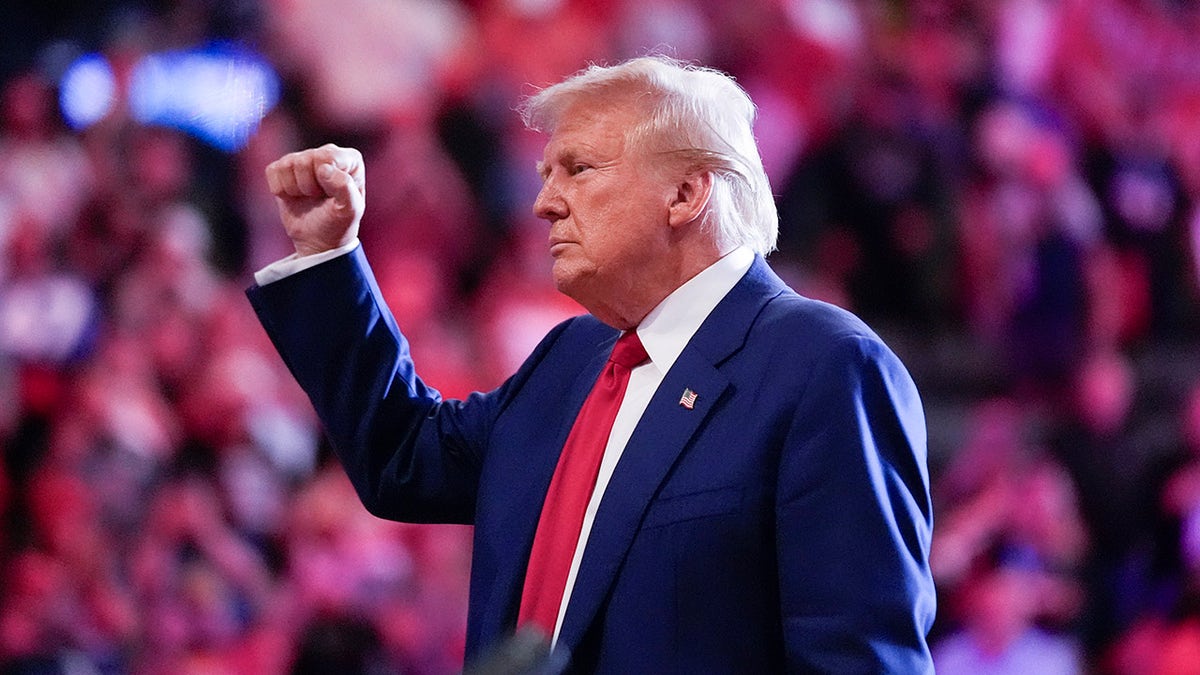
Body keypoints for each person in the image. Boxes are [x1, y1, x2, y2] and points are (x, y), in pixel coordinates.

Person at [247, 55, 935, 672]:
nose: (544, 201)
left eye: (577, 168)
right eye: (545, 174)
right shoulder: (568, 359)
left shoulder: (824, 367)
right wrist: (328, 256)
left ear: (686, 193)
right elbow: (403, 455)